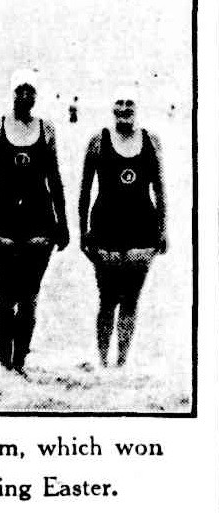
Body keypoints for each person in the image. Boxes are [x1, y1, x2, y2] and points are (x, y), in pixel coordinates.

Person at [0, 69, 69, 375]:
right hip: (1, 219)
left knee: (29, 297)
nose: (25, 96)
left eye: (30, 91)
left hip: (39, 221)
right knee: (5, 296)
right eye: (20, 91)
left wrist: (62, 222)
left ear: (36, 96)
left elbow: (54, 179)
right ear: (12, 93)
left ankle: (20, 361)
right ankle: (4, 360)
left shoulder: (47, 130)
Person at [78, 86, 167, 367]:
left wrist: (163, 230)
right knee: (107, 299)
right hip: (105, 229)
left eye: (130, 103)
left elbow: (160, 189)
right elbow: (84, 191)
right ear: (112, 107)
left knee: (131, 298)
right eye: (120, 103)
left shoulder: (151, 141)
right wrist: (83, 233)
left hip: (142, 229)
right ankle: (103, 361)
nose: (125, 108)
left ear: (136, 107)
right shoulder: (97, 141)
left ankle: (121, 362)